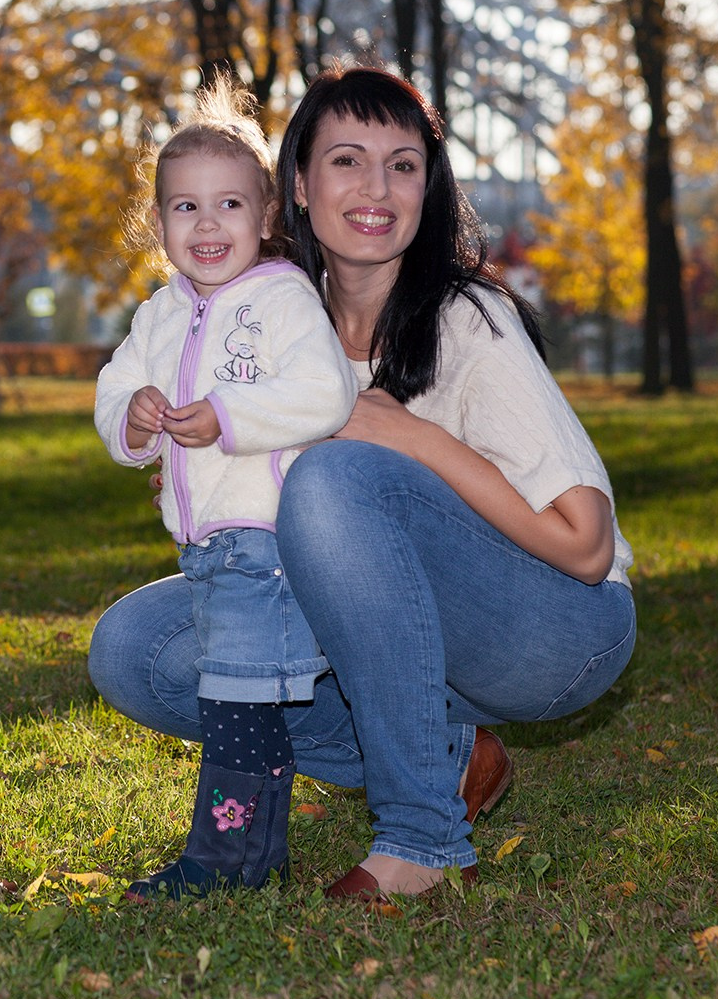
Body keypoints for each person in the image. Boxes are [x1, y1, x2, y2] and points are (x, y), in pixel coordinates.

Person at [88, 63, 637, 905]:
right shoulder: (273, 314)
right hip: (394, 630)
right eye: (347, 160)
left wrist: (404, 434)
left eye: (404, 164)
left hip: (554, 626)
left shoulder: (466, 320)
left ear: (429, 186)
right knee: (139, 649)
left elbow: (587, 545)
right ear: (297, 186)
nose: (377, 187)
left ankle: (422, 839)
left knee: (337, 476)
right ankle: (450, 757)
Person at [94, 80, 359, 900]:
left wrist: (228, 415)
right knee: (244, 697)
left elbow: (326, 393)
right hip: (206, 546)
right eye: (184, 208)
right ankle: (259, 856)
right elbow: (113, 391)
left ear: (266, 213)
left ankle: (223, 860)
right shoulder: (158, 314)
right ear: (159, 220)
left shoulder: (281, 298)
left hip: (268, 537)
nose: (207, 226)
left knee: (235, 701)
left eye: (229, 204)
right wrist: (133, 420)